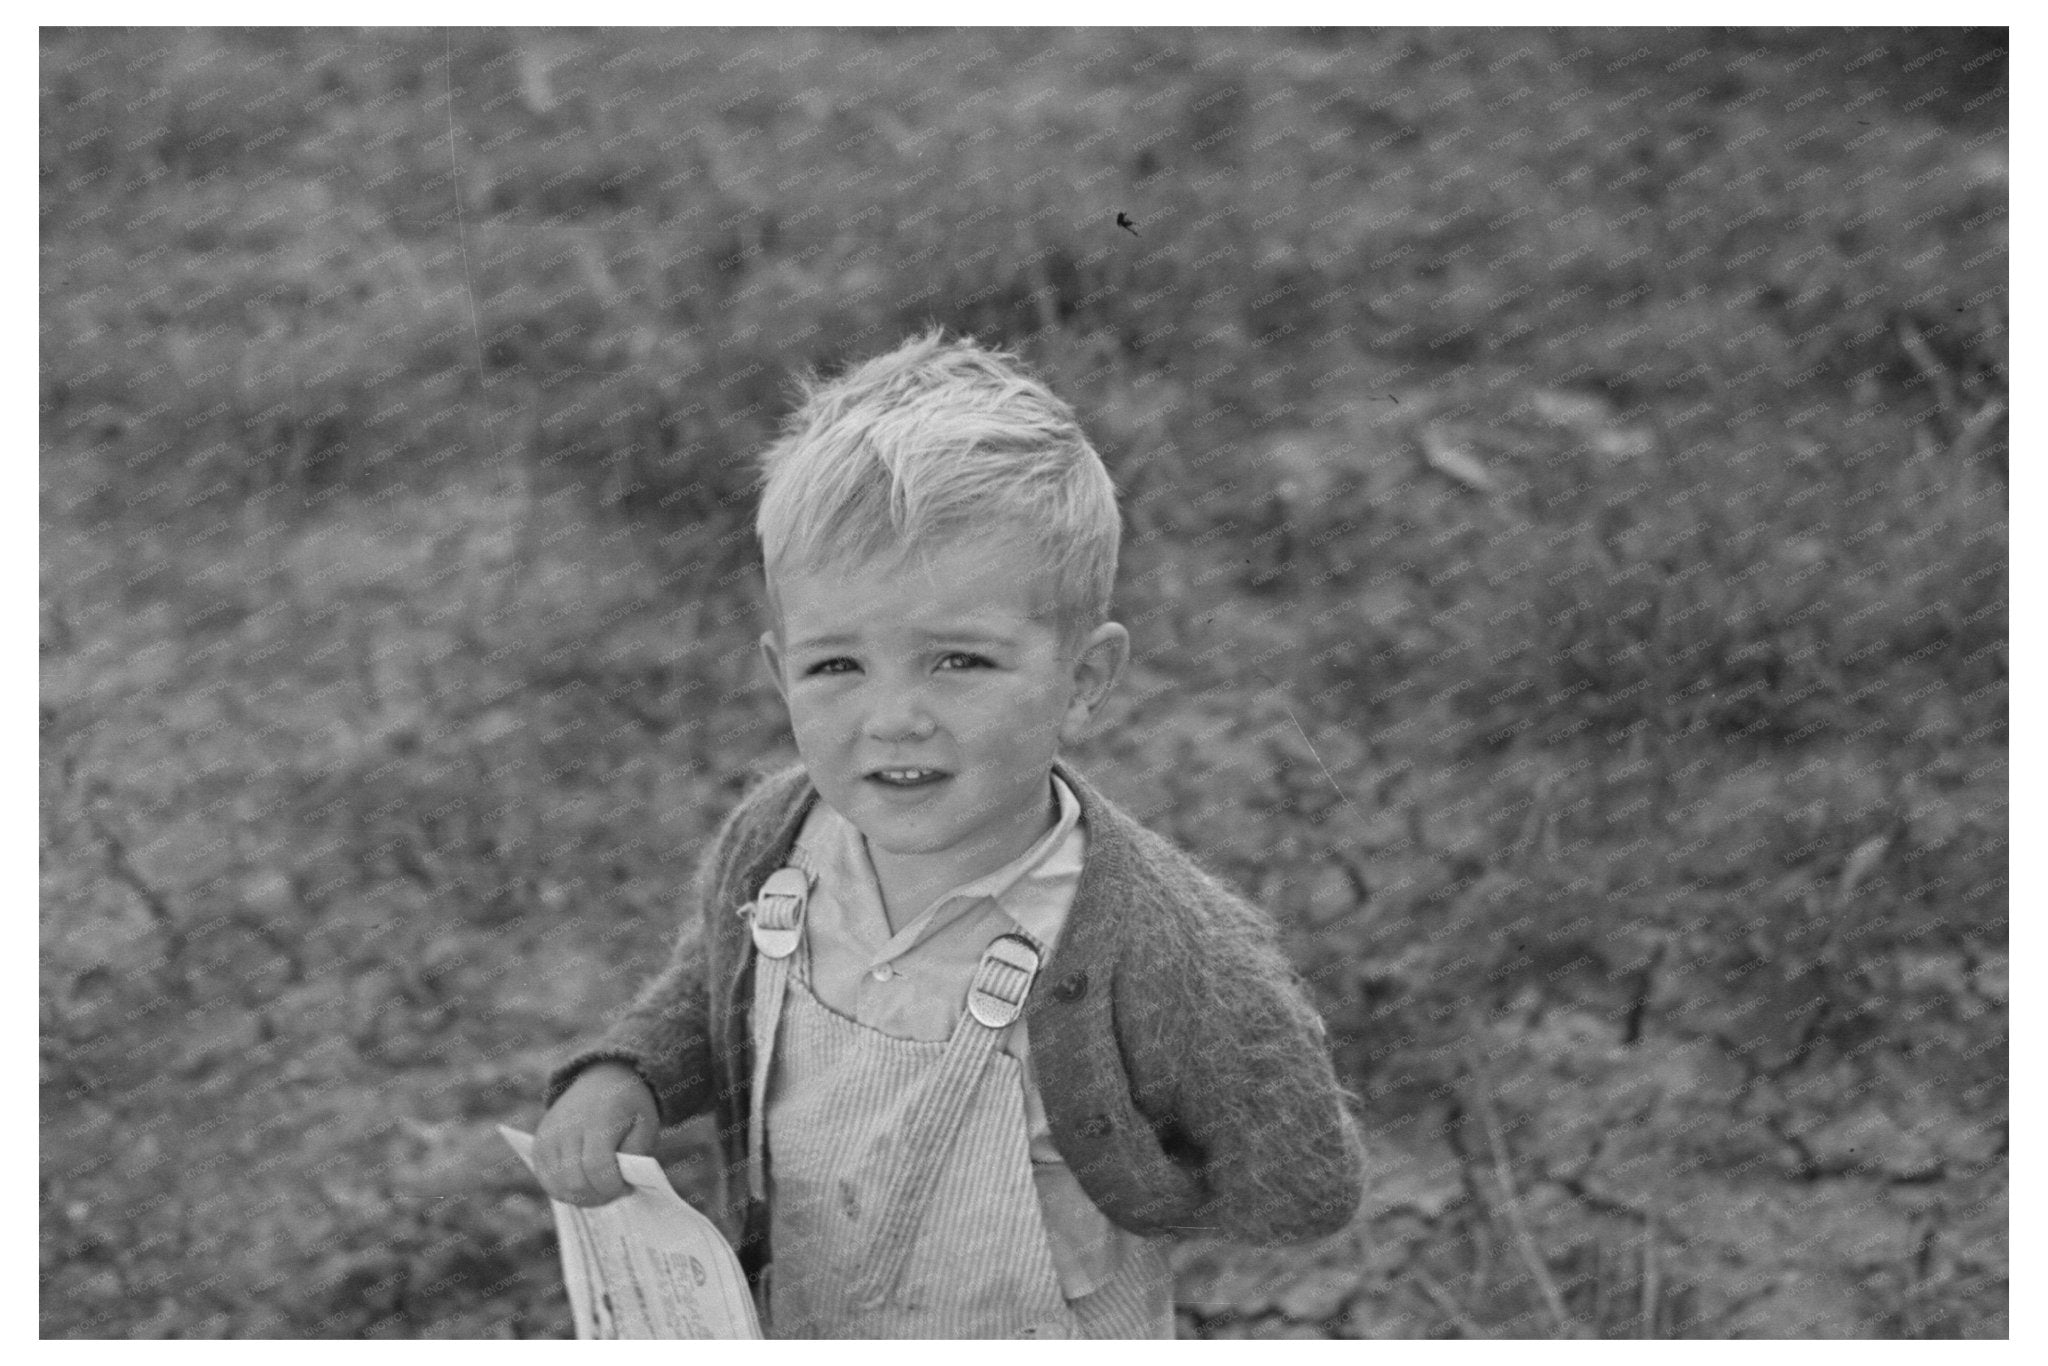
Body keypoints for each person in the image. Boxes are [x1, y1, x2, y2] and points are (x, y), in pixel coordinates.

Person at [532, 327, 1366, 1338]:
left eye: (958, 661)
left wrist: (1144, 1178)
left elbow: (1303, 1179)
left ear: (1082, 680)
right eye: (837, 666)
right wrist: (632, 1072)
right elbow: (715, 988)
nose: (893, 718)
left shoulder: (1153, 941)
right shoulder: (778, 844)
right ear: (779, 673)